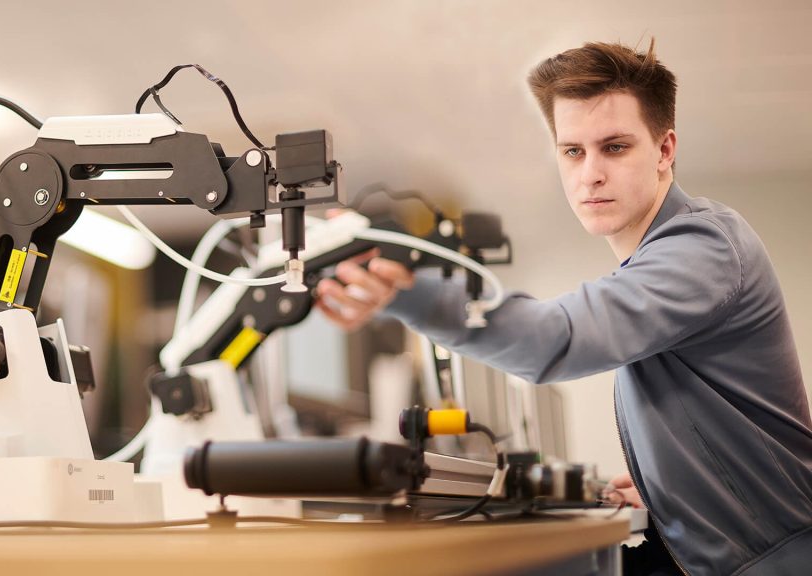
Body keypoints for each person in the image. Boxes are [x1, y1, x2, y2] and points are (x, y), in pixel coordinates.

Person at [317, 40, 811, 575]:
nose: (589, 174)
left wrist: (406, 289)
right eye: (572, 151)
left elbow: (558, 339)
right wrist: (667, 488)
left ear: (665, 150)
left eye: (615, 147)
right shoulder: (664, 256)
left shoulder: (703, 247)